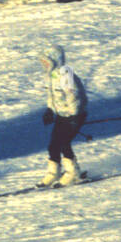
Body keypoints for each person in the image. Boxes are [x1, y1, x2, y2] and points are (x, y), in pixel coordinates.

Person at [37, 45, 88, 187]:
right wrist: (50, 110)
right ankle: (54, 173)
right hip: (61, 115)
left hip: (74, 115)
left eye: (47, 62)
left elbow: (74, 96)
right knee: (53, 145)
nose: (44, 65)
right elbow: (51, 96)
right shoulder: (51, 76)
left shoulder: (66, 75)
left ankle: (73, 173)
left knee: (64, 142)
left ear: (56, 60)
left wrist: (74, 115)